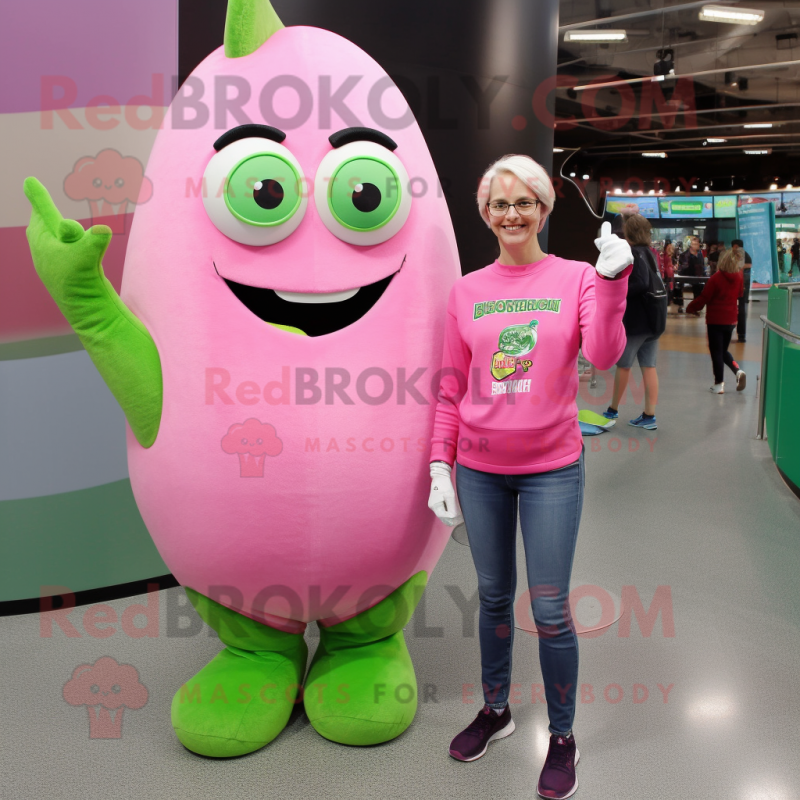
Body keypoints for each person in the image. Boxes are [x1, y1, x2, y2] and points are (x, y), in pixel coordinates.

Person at [426, 154, 632, 800]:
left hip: (552, 471)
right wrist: (440, 460)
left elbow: (601, 353)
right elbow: (450, 388)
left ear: (544, 209)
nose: (511, 214)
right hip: (482, 470)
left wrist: (614, 284)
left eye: (524, 203)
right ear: (485, 213)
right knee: (491, 597)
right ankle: (496, 710)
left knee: (547, 608)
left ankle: (563, 737)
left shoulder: (575, 278)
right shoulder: (465, 290)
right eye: (499, 203)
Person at [602, 214, 662, 430]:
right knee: (649, 366)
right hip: (654, 320)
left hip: (637, 322)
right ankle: (649, 415)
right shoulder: (650, 253)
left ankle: (612, 410)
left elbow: (640, 283)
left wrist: (617, 290)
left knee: (624, 366)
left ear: (629, 231)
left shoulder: (634, 253)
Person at [687, 249, 746, 393]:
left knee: (716, 352)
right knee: (722, 351)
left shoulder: (715, 278)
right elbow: (740, 293)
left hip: (715, 321)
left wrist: (691, 307)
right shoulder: (738, 277)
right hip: (731, 320)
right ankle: (737, 371)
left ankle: (719, 383)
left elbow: (704, 298)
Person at [674, 236, 704, 313]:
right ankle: (680, 305)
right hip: (686, 275)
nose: (697, 245)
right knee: (678, 286)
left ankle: (696, 307)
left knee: (699, 288)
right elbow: (683, 267)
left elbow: (702, 266)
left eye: (698, 243)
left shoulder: (700, 254)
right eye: (695, 243)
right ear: (690, 245)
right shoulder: (684, 255)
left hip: (698, 277)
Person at [730, 239, 752, 342]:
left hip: (739, 287)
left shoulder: (738, 256)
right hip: (740, 288)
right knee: (740, 310)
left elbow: (748, 265)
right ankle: (740, 334)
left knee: (738, 309)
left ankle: (739, 333)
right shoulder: (742, 255)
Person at [660, 241, 676, 308]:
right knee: (668, 287)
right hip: (668, 273)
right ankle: (668, 300)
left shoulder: (666, 255)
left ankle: (669, 300)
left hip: (668, 273)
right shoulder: (666, 256)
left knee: (669, 287)